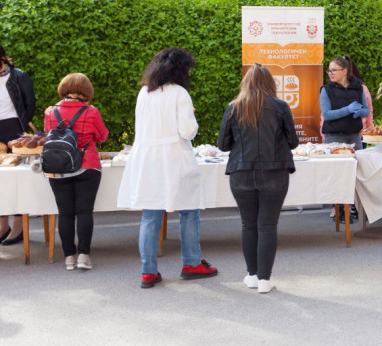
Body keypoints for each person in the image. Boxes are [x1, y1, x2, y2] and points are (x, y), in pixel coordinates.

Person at [117, 48, 218, 288]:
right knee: (189, 210)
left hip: (148, 159)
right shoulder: (180, 94)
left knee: (150, 215)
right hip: (175, 158)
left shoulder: (145, 92)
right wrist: (192, 116)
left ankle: (148, 271)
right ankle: (191, 263)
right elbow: (187, 131)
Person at [217, 64, 298, 293]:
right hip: (275, 172)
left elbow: (223, 144)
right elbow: (292, 141)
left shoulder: (234, 108)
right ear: (270, 83)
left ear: (246, 82)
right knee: (268, 226)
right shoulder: (280, 107)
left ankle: (252, 275)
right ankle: (264, 279)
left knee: (248, 225)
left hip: (241, 174)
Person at [43, 73, 109, 270]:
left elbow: (49, 135)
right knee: (84, 211)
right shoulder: (91, 112)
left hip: (58, 168)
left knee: (65, 213)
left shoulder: (50, 112)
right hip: (87, 166)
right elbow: (102, 136)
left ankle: (69, 258)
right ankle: (83, 256)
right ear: (87, 91)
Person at [0, 45, 35, 246]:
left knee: (18, 179)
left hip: (14, 128)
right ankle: (3, 225)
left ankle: (19, 226)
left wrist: (21, 128)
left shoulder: (19, 77)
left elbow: (30, 104)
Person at [320, 56, 369, 148]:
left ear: (344, 71)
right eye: (329, 71)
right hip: (334, 136)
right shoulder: (326, 90)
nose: (330, 73)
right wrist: (348, 110)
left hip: (355, 135)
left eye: (334, 70)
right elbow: (326, 114)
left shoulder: (358, 88)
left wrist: (359, 112)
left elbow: (366, 111)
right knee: (339, 162)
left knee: (358, 162)